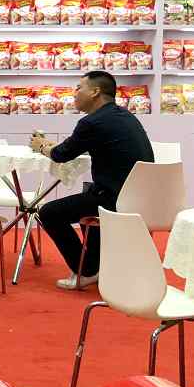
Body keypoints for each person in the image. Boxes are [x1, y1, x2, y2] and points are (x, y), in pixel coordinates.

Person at [30, 70, 154, 291]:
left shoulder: (92, 122)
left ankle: (85, 270)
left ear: (95, 92)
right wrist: (52, 147)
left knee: (49, 213)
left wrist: (41, 147)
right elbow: (73, 147)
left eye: (79, 88)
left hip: (114, 199)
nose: (74, 93)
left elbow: (61, 155)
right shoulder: (124, 116)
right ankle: (95, 266)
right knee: (89, 194)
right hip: (141, 197)